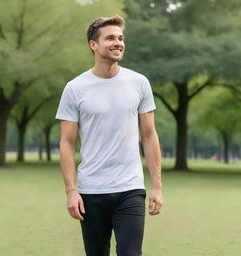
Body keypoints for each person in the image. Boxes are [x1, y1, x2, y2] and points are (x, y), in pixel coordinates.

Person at [55, 14, 163, 256]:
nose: (118, 43)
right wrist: (71, 191)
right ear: (94, 45)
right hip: (91, 191)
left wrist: (157, 186)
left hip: (130, 189)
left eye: (121, 38)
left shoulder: (139, 83)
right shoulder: (75, 89)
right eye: (111, 38)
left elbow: (149, 136)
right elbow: (67, 142)